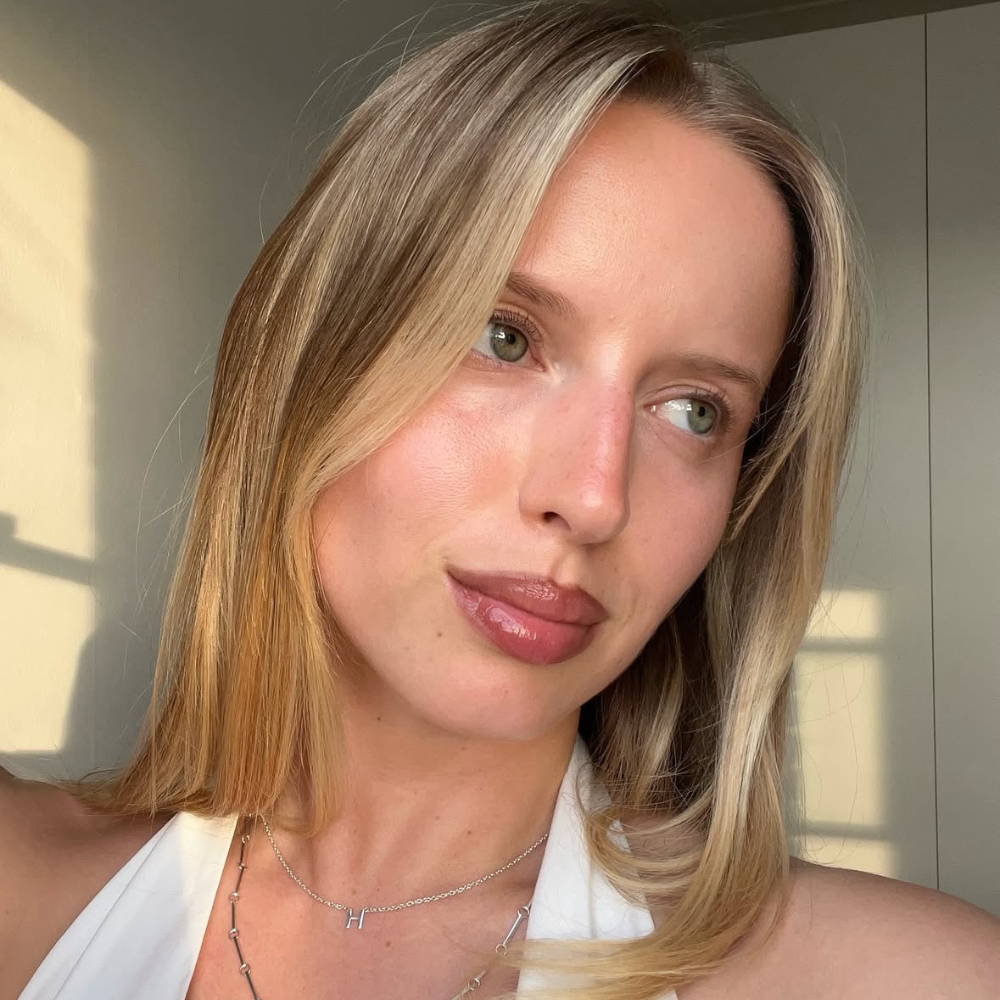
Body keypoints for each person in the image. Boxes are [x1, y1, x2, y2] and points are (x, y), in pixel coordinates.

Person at [2, 1, 999, 998]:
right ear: (309, 358)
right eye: (505, 337)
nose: (594, 497)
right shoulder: (27, 893)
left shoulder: (906, 978)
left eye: (696, 411)